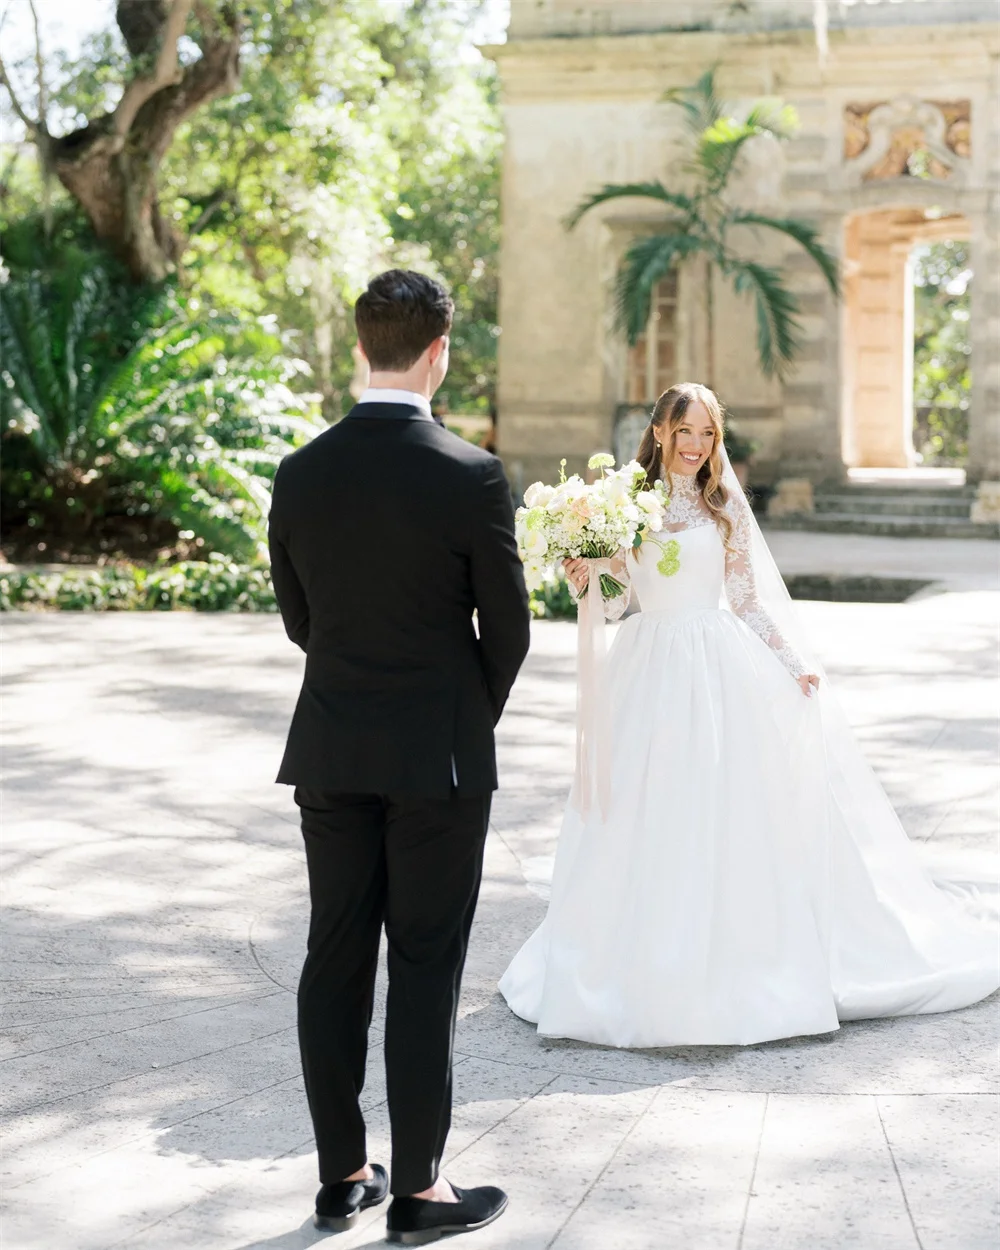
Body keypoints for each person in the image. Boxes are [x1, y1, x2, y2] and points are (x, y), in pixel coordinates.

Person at [499, 381, 998, 1049]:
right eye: (684, 431)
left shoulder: (724, 502)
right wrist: (589, 577)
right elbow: (618, 605)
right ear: (660, 432)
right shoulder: (627, 503)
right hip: (647, 668)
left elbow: (746, 600)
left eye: (707, 433)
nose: (695, 445)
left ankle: (733, 952)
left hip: (715, 666)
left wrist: (793, 663)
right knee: (645, 803)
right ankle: (635, 954)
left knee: (720, 805)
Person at [269, 269, 530, 1242]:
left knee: (332, 955)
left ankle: (343, 1176)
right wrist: (462, 716)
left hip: (331, 747)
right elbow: (508, 631)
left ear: (361, 348)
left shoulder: (300, 471)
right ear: (439, 352)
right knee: (424, 965)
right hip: (439, 762)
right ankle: (419, 1189)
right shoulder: (471, 473)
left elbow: (301, 618)